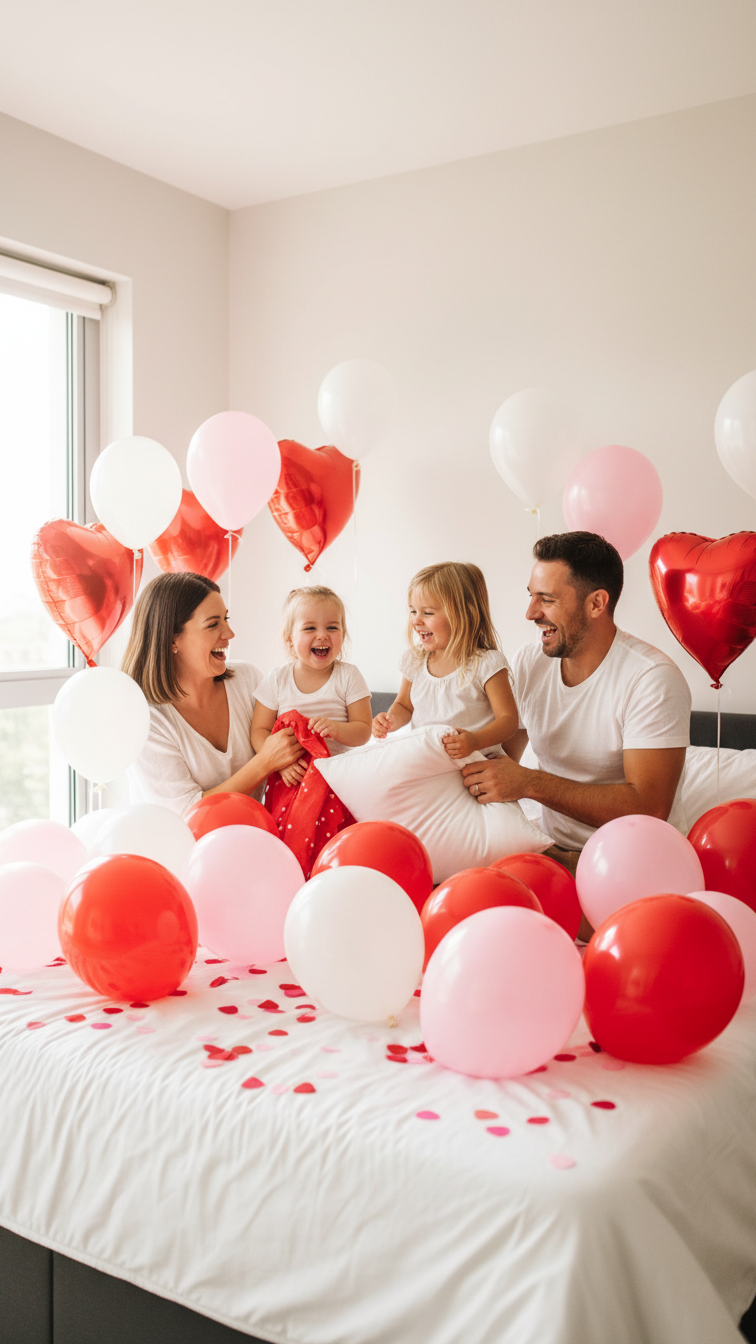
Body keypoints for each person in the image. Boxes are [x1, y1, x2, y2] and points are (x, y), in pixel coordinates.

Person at [461, 532, 691, 874]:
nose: (530, 613)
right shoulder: (529, 663)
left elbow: (648, 805)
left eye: (547, 599)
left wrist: (528, 782)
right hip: (551, 851)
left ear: (596, 603)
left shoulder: (651, 678)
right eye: (531, 596)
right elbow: (500, 759)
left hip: (634, 860)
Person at [123, 572, 303, 817]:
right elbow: (188, 814)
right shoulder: (147, 721)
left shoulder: (248, 681)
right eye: (213, 624)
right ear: (172, 640)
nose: (229, 633)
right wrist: (265, 763)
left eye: (226, 619)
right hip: (180, 850)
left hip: (252, 839)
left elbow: (300, 734)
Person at [371, 561, 518, 758]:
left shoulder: (487, 664)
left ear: (462, 615)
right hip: (429, 760)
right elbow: (404, 705)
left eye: (428, 613)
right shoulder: (414, 661)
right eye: (413, 611)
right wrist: (390, 720)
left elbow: (508, 720)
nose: (415, 620)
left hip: (476, 762)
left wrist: (475, 741)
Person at [250, 585, 372, 787]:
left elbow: (364, 731)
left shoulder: (349, 676)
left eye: (332, 627)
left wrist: (337, 729)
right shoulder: (277, 679)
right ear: (289, 639)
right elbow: (259, 731)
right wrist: (278, 763)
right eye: (310, 628)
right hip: (293, 778)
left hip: (339, 779)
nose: (322, 635)